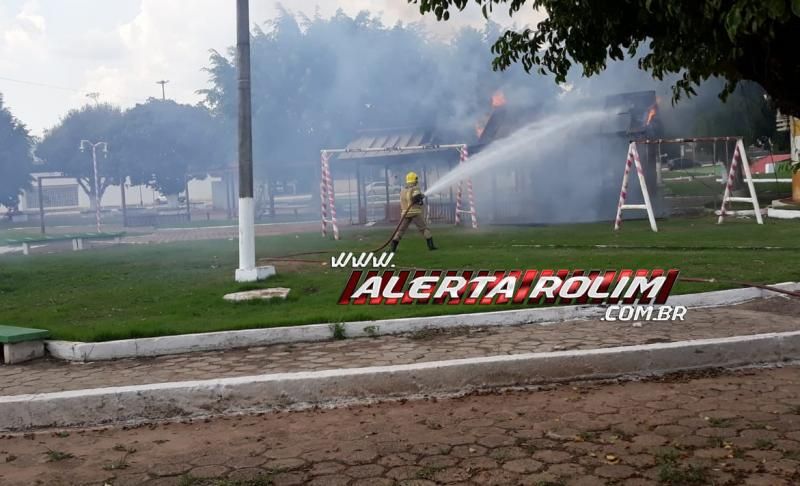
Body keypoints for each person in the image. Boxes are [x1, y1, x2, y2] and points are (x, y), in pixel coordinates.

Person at [391, 171, 437, 252]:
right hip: (415, 212)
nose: (417, 181)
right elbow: (416, 198)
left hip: (405, 213)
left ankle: (392, 249)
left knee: (400, 230)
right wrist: (421, 197)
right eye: (416, 179)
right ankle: (431, 246)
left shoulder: (403, 190)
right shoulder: (415, 188)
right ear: (414, 180)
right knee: (424, 229)